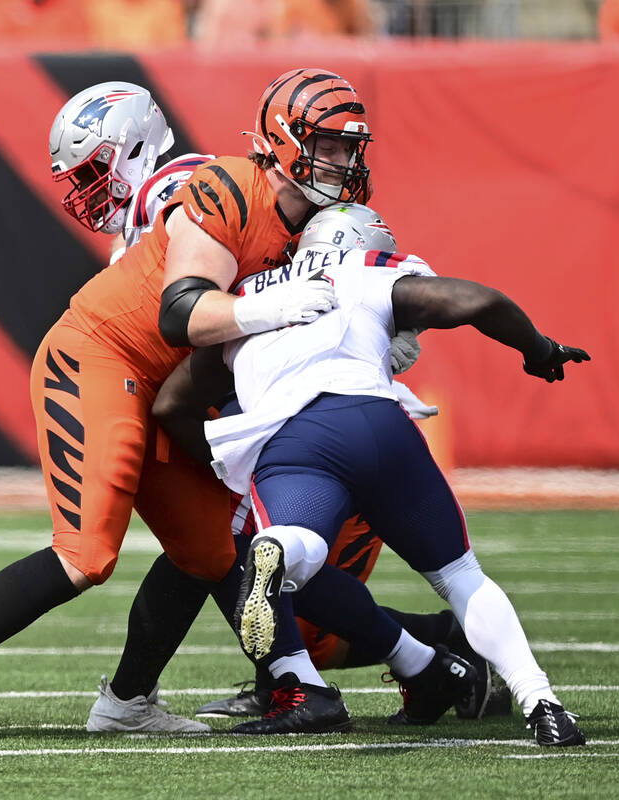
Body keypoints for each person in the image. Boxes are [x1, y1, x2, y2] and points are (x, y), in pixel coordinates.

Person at [0, 69, 465, 742]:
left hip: (171, 391)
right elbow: (181, 311)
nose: (340, 161)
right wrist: (268, 307)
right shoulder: (217, 186)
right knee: (86, 553)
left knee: (219, 549)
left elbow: (376, 274)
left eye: (345, 148)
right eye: (326, 146)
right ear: (282, 141)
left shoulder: (319, 220)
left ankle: (136, 700)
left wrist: (388, 333)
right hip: (102, 359)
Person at [46, 81, 490, 729]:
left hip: (320, 419)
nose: (86, 190)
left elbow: (350, 281)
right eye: (328, 145)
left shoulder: (197, 194)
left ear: (131, 148)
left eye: (93, 171)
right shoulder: (198, 200)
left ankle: (440, 648)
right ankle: (313, 676)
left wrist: (384, 329)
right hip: (252, 404)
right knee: (222, 548)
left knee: (272, 585)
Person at [210, 203, 589, 746]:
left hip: (288, 439)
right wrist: (538, 349)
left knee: (294, 550)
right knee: (461, 575)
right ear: (367, 245)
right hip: (373, 419)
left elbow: (181, 391)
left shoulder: (246, 295)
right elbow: (480, 300)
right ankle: (542, 703)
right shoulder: (362, 273)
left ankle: (281, 549)